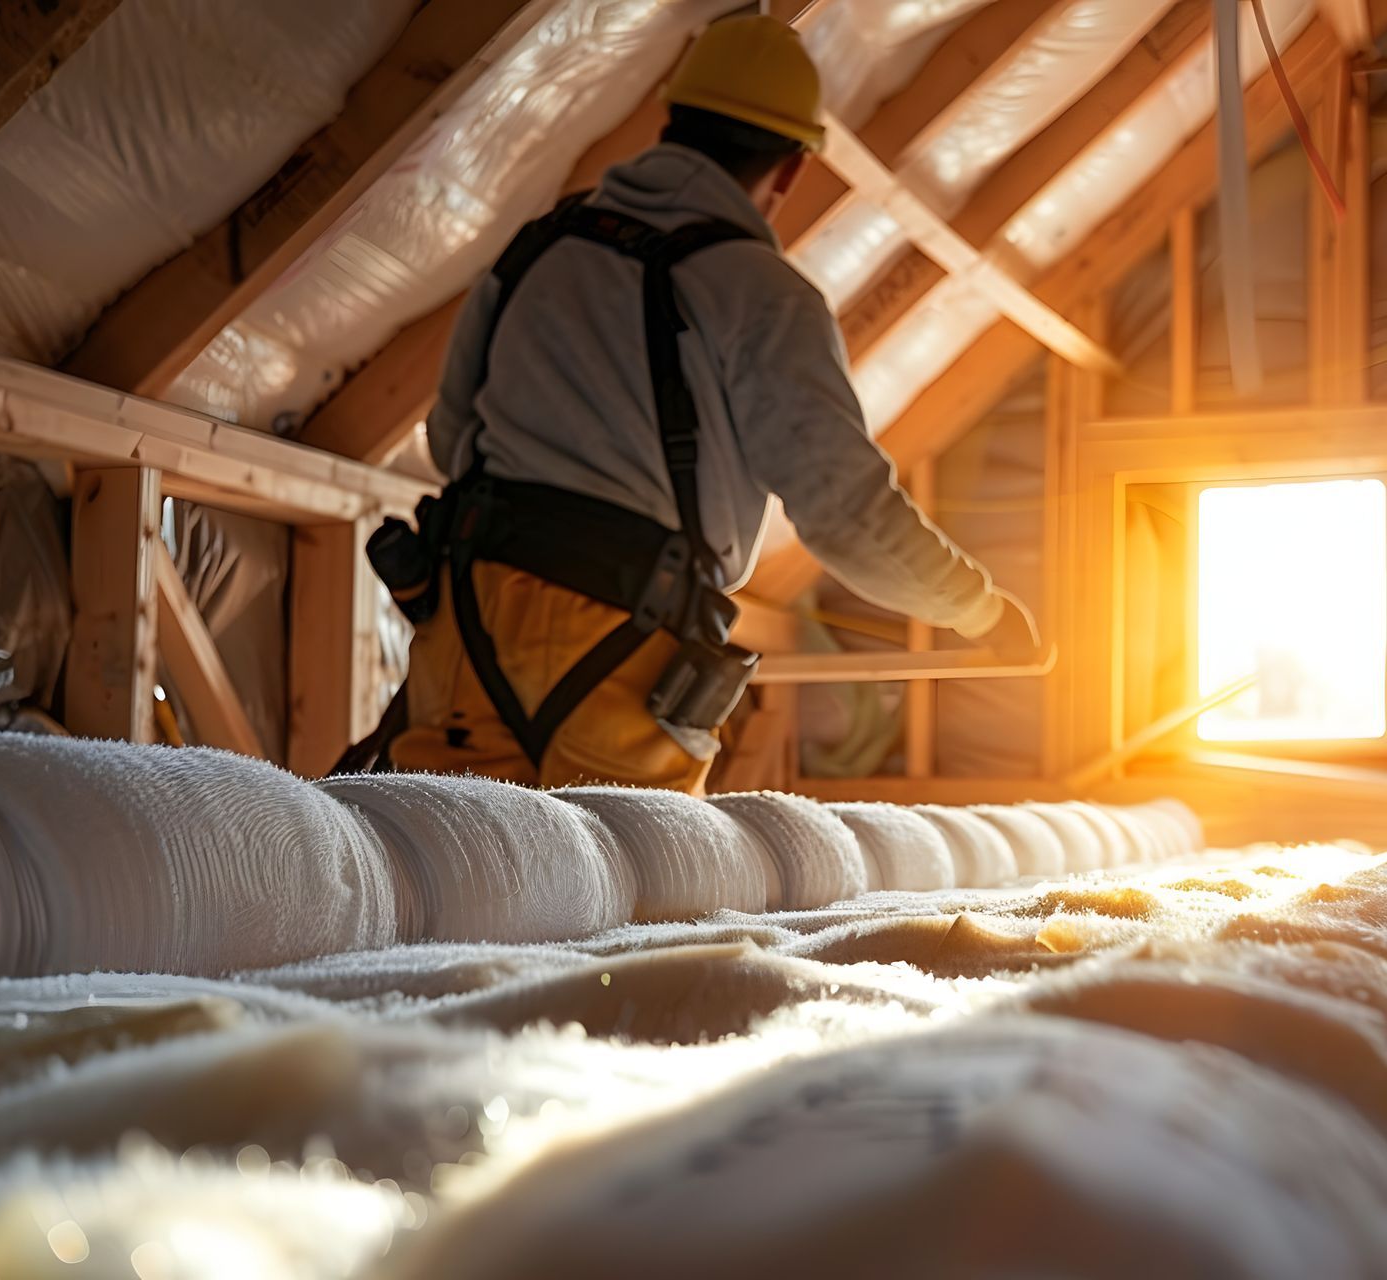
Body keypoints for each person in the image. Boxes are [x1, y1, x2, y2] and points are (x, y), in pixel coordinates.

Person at [383, 14, 1039, 795]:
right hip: (626, 641)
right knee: (629, 893)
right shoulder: (763, 296)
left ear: (671, 120)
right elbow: (847, 514)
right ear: (791, 169)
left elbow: (453, 437)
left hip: (469, 610)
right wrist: (979, 610)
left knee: (454, 881)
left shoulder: (538, 248)